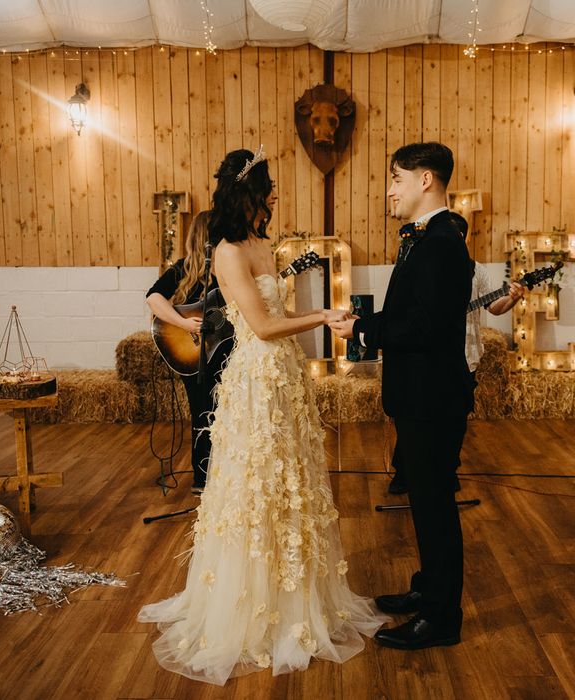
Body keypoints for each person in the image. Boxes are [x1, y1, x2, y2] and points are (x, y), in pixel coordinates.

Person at [138, 147, 387, 685]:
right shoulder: (228, 251)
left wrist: (317, 315)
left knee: (290, 479)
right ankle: (254, 602)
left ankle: (294, 592)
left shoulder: (262, 243)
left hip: (285, 378)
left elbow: (277, 314)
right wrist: (322, 315)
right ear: (247, 194)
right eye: (269, 187)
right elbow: (262, 327)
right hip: (256, 375)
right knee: (258, 481)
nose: (275, 194)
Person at [330, 142, 474, 650]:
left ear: (426, 180)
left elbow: (425, 327)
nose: (389, 189)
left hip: (432, 399)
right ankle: (429, 589)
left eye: (396, 178)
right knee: (423, 502)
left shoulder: (441, 243)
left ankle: (441, 618)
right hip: (418, 395)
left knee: (435, 507)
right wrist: (366, 324)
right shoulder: (422, 238)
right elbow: (408, 311)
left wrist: (364, 333)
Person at [386, 211, 526, 495]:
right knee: (416, 418)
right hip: (426, 356)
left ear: (462, 238)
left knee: (455, 419)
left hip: (464, 355)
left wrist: (510, 298)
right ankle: (403, 472)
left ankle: (448, 470)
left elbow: (494, 307)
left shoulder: (477, 271)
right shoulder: (419, 264)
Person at [146, 210, 231, 495]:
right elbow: (153, 297)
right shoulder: (183, 269)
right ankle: (203, 477)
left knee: (229, 414)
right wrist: (182, 322)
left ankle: (230, 476)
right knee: (202, 414)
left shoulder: (231, 271)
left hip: (228, 352)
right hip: (193, 357)